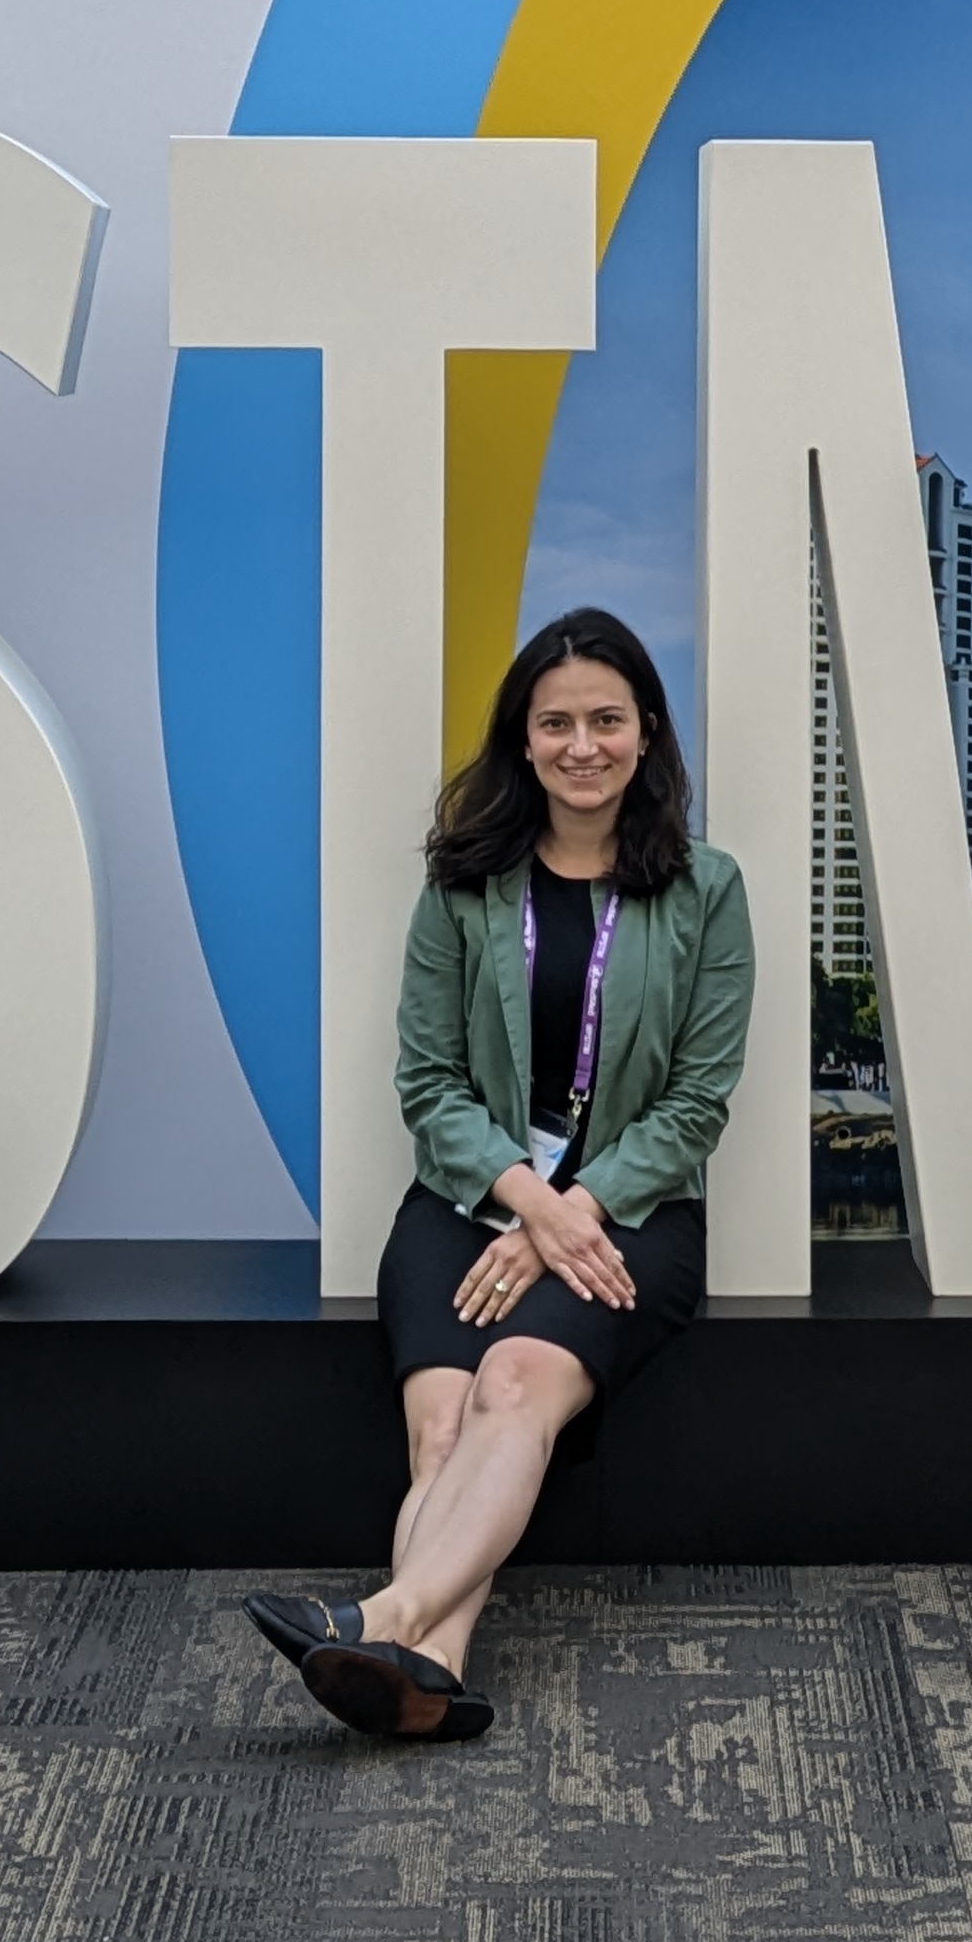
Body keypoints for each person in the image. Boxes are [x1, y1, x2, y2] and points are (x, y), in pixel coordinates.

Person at [246, 607, 751, 1744]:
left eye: (607, 720)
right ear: (522, 738)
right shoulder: (465, 886)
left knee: (513, 1385)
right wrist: (527, 1205)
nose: (583, 745)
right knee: (440, 1427)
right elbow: (428, 1085)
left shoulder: (707, 890)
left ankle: (383, 1615)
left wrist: (574, 1211)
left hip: (631, 1213)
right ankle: (429, 1673)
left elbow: (697, 1103)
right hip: (467, 1200)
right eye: (556, 722)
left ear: (647, 730)